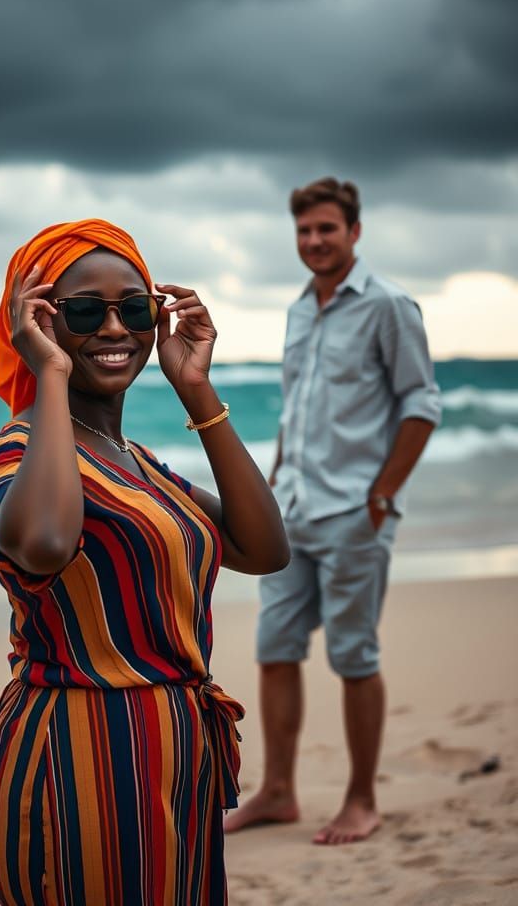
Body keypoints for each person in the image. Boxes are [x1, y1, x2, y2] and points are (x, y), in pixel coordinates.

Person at [0, 218, 289, 905]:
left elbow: (262, 548)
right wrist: (49, 372)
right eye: (82, 311)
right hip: (84, 758)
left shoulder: (136, 464)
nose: (114, 328)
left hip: (176, 754)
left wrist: (196, 389)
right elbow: (45, 543)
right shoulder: (15, 455)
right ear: (36, 320)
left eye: (134, 308)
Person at [224, 178, 441, 846]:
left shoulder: (388, 306)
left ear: (355, 231)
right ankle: (280, 791)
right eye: (304, 231)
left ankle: (360, 800)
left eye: (327, 228)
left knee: (353, 656)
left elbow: (421, 403)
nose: (314, 241)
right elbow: (298, 411)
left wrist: (380, 499)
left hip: (354, 512)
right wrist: (269, 485)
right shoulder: (298, 309)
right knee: (275, 649)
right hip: (290, 511)